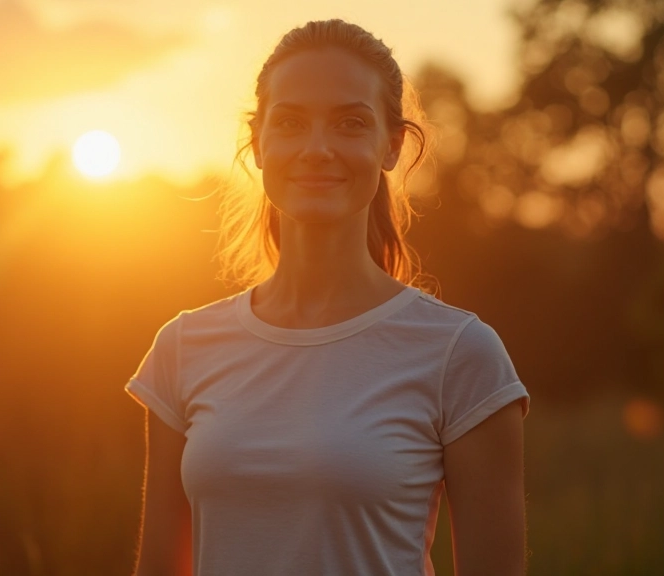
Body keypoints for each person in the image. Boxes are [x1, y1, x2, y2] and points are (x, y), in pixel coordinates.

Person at [125, 19, 530, 576]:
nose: (317, 149)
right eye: (290, 122)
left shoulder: (461, 355)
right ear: (258, 143)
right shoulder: (182, 348)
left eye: (350, 123)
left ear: (391, 146)